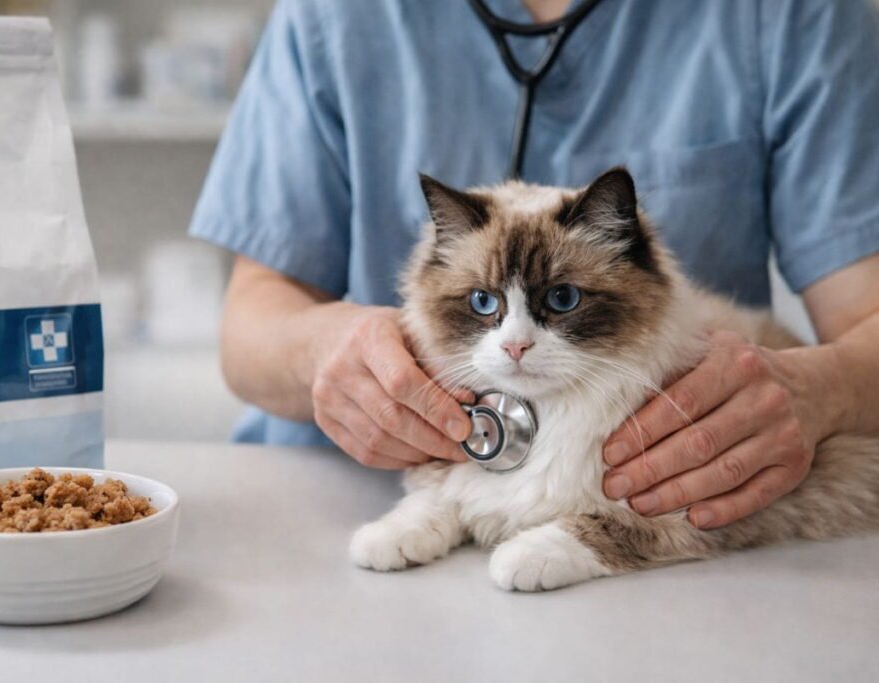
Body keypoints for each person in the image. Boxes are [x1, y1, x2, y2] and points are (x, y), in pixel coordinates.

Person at [190, 0, 879, 530]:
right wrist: (321, 353)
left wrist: (828, 388)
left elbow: (865, 318)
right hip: (347, 502)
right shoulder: (331, 15)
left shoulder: (793, 14)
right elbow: (251, 319)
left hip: (652, 521)